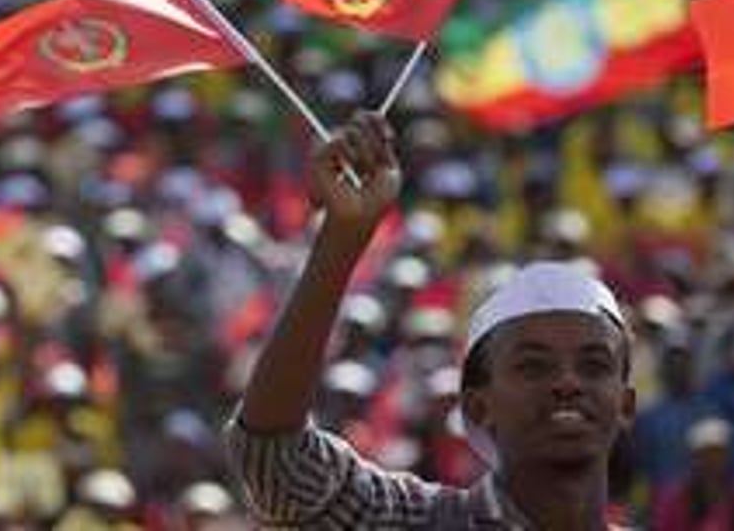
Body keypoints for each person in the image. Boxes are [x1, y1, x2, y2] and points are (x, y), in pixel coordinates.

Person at [225, 111, 638, 529]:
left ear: (626, 404)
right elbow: (276, 465)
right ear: (478, 407)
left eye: (593, 365)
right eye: (533, 365)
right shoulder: (421, 520)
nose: (568, 383)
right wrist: (344, 235)